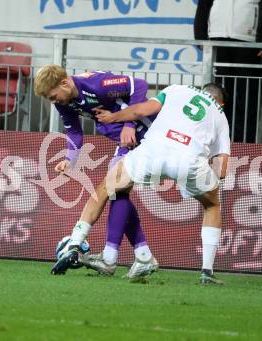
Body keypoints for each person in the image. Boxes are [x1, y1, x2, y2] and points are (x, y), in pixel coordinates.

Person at [52, 83, 230, 285]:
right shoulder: (220, 116)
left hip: (153, 151)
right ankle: (207, 272)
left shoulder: (176, 89)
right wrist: (205, 172)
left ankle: (75, 243)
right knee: (212, 205)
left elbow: (140, 110)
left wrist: (113, 117)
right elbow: (221, 169)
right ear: (221, 103)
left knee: (105, 189)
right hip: (189, 160)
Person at [34, 65, 158, 278]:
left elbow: (139, 85)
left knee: (113, 188)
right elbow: (74, 131)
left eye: (53, 96)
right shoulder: (64, 101)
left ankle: (116, 257)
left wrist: (129, 123)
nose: (53, 101)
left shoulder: (97, 85)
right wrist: (69, 160)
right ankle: (139, 255)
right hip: (126, 142)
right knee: (117, 191)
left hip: (149, 133)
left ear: (64, 83)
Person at [194, 0, 262, 143]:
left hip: (249, 41)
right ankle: (217, 141)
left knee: (247, 96)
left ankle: (244, 143)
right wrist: (200, 37)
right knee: (218, 96)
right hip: (217, 40)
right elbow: (203, 6)